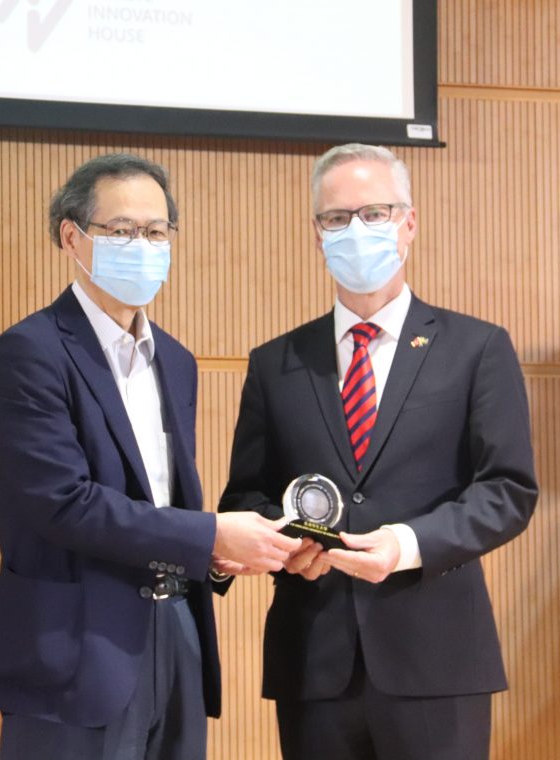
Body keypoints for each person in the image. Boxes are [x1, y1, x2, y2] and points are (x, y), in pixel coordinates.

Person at [218, 143, 539, 760]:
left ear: (408, 223)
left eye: (374, 213)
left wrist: (407, 545)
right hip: (314, 660)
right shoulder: (275, 363)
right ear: (317, 235)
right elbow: (248, 495)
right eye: (336, 219)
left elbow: (507, 490)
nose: (354, 231)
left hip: (438, 660)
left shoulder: (476, 349)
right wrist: (288, 549)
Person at [0, 153, 299, 760]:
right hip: (75, 648)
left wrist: (219, 555)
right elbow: (62, 504)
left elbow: (165, 499)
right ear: (73, 238)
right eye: (121, 231)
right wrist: (209, 535)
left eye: (155, 232)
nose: (142, 245)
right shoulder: (29, 353)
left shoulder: (174, 359)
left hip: (177, 632)